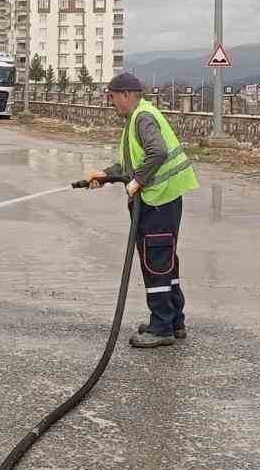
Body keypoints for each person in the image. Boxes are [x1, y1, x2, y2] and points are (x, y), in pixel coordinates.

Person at [84, 72, 199, 348]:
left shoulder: (142, 118)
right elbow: (129, 166)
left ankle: (161, 327)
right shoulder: (138, 118)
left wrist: (138, 181)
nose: (111, 102)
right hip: (163, 200)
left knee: (155, 262)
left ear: (126, 95)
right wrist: (105, 175)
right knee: (165, 261)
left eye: (112, 97)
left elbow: (157, 152)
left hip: (158, 201)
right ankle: (174, 320)